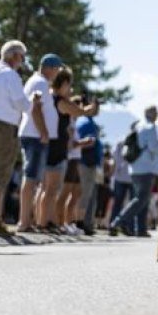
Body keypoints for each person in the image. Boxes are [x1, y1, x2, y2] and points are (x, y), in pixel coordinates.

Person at [0, 40, 40, 236]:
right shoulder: (10, 75)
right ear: (14, 56)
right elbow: (22, 105)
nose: (22, 61)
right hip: (3, 127)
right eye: (22, 56)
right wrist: (33, 102)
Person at [38, 69, 94, 233]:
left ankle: (47, 222)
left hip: (54, 146)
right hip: (56, 148)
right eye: (69, 84)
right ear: (62, 83)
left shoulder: (52, 98)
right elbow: (80, 112)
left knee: (48, 188)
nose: (70, 89)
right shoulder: (59, 100)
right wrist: (92, 105)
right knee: (51, 189)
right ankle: (46, 222)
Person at [17, 53, 63, 232]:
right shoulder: (40, 83)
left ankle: (29, 220)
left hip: (35, 135)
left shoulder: (40, 82)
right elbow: (35, 109)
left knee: (34, 179)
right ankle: (24, 222)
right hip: (35, 136)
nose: (57, 73)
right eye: (56, 69)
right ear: (48, 68)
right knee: (30, 178)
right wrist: (44, 132)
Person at [109, 106, 158, 237]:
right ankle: (118, 222)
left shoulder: (138, 126)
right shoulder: (150, 127)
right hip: (146, 168)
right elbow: (154, 148)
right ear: (150, 114)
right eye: (155, 112)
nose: (157, 114)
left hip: (135, 168)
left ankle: (141, 229)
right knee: (141, 198)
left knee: (143, 199)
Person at [75, 97, 103, 235]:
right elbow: (83, 141)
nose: (97, 109)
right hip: (85, 162)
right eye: (95, 105)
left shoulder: (89, 122)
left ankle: (86, 223)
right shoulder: (85, 122)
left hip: (90, 163)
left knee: (89, 195)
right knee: (85, 194)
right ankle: (82, 223)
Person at [109, 132, 133, 230]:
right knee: (128, 204)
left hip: (121, 176)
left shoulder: (120, 142)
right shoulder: (133, 141)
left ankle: (115, 226)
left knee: (119, 203)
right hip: (128, 176)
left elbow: (114, 159)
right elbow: (114, 160)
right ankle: (124, 226)